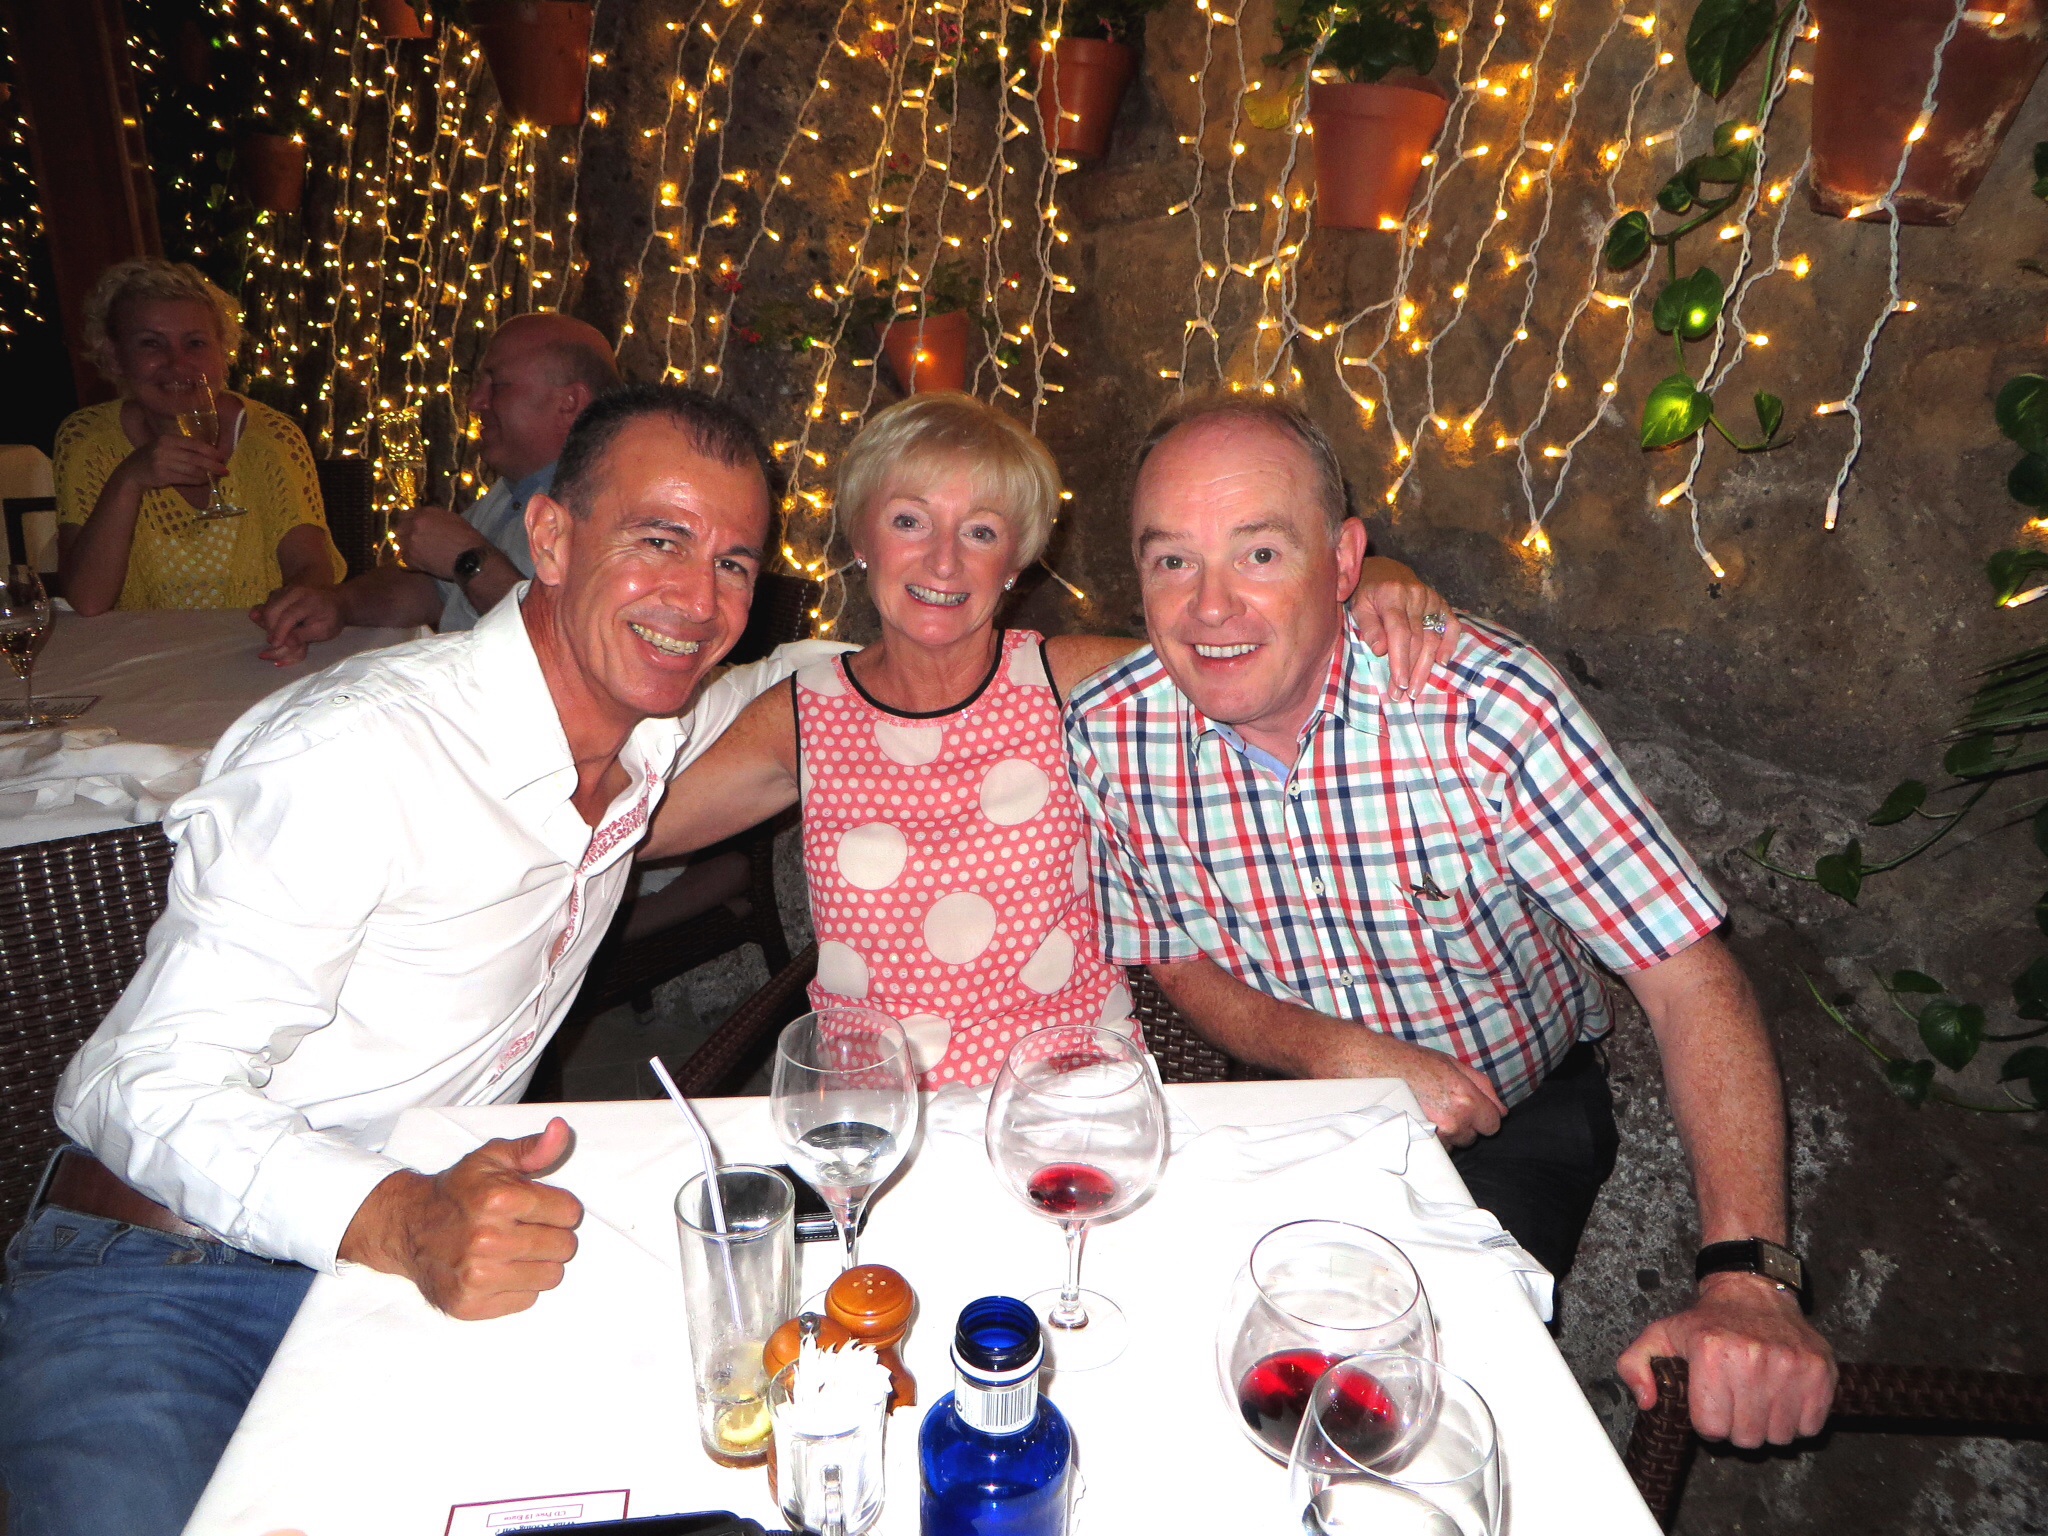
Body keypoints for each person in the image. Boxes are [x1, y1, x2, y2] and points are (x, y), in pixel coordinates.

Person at [0, 384, 841, 1536]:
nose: (699, 600)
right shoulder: (359, 751)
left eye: (733, 562)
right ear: (550, 540)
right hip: (165, 1275)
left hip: (404, 1268)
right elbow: (135, 1085)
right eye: (659, 540)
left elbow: (845, 670)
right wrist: (398, 1217)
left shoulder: (650, 731)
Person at [1063, 394, 1837, 1449]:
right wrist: (1331, 1051)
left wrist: (1746, 1277)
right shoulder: (1112, 733)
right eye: (1171, 562)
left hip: (1514, 1120)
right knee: (1172, 1374)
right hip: (1284, 1106)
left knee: (1408, 1410)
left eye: (1258, 553)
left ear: (1344, 563)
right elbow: (1175, 956)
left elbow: (1684, 975)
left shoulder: (1482, 709)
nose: (1209, 607)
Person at [641, 391, 1457, 1086]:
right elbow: (621, 834)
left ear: (1017, 560)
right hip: (875, 1120)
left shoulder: (1070, 682)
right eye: (909, 520)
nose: (944, 561)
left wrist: (1374, 584)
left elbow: (1247, 650)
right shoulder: (803, 713)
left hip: (1071, 1108)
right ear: (862, 539)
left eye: (981, 532)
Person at [249, 311, 620, 664]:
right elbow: (430, 590)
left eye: (497, 385)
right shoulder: (514, 490)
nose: (475, 402)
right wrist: (338, 604)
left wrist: (469, 559)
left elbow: (568, 649)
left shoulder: (610, 506)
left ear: (569, 402)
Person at [55, 260, 346, 614]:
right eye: (151, 344)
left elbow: (311, 568)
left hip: (254, 639)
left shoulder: (271, 437)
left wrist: (294, 610)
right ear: (114, 356)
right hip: (141, 647)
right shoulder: (87, 438)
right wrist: (128, 479)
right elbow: (87, 600)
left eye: (195, 343)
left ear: (223, 355)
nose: (177, 363)